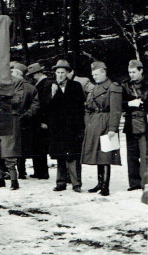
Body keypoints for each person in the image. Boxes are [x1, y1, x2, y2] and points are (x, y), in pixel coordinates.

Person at [81, 61, 122, 196]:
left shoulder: (113, 87)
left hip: (106, 122)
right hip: (95, 123)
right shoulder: (95, 88)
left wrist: (112, 128)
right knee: (98, 154)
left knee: (105, 155)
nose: (94, 77)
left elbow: (115, 110)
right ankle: (99, 183)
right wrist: (89, 122)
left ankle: (105, 186)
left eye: (97, 74)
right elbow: (88, 107)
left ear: (104, 73)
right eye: (93, 74)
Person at [47, 60, 85, 192]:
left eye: (63, 72)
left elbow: (80, 107)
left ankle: (76, 183)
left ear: (68, 73)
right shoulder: (50, 86)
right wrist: (52, 94)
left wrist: (80, 126)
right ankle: (60, 182)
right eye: (58, 72)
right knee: (59, 155)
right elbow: (47, 107)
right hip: (57, 128)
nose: (60, 75)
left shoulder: (75, 86)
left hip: (72, 127)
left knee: (73, 155)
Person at [0, 64, 26, 190]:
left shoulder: (17, 82)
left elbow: (18, 100)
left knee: (9, 149)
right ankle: (0, 178)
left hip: (10, 118)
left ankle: (14, 180)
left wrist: (3, 100)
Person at [121, 59, 148, 191]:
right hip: (130, 123)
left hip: (145, 123)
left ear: (141, 70)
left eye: (133, 72)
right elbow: (119, 103)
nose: (131, 75)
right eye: (129, 72)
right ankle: (134, 183)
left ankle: (145, 182)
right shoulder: (125, 85)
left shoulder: (147, 84)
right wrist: (129, 104)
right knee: (131, 155)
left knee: (145, 155)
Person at [13, 63, 40, 179]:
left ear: (18, 73)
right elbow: (36, 105)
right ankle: (22, 171)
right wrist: (27, 115)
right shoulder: (32, 87)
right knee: (25, 145)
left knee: (15, 146)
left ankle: (19, 171)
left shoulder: (11, 86)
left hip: (13, 119)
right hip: (27, 121)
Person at [26, 62, 52, 179]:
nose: (32, 78)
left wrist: (44, 121)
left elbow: (46, 104)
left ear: (38, 74)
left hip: (41, 120)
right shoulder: (42, 84)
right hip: (38, 120)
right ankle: (39, 171)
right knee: (37, 146)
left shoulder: (46, 84)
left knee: (40, 146)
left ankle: (42, 172)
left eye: (32, 75)